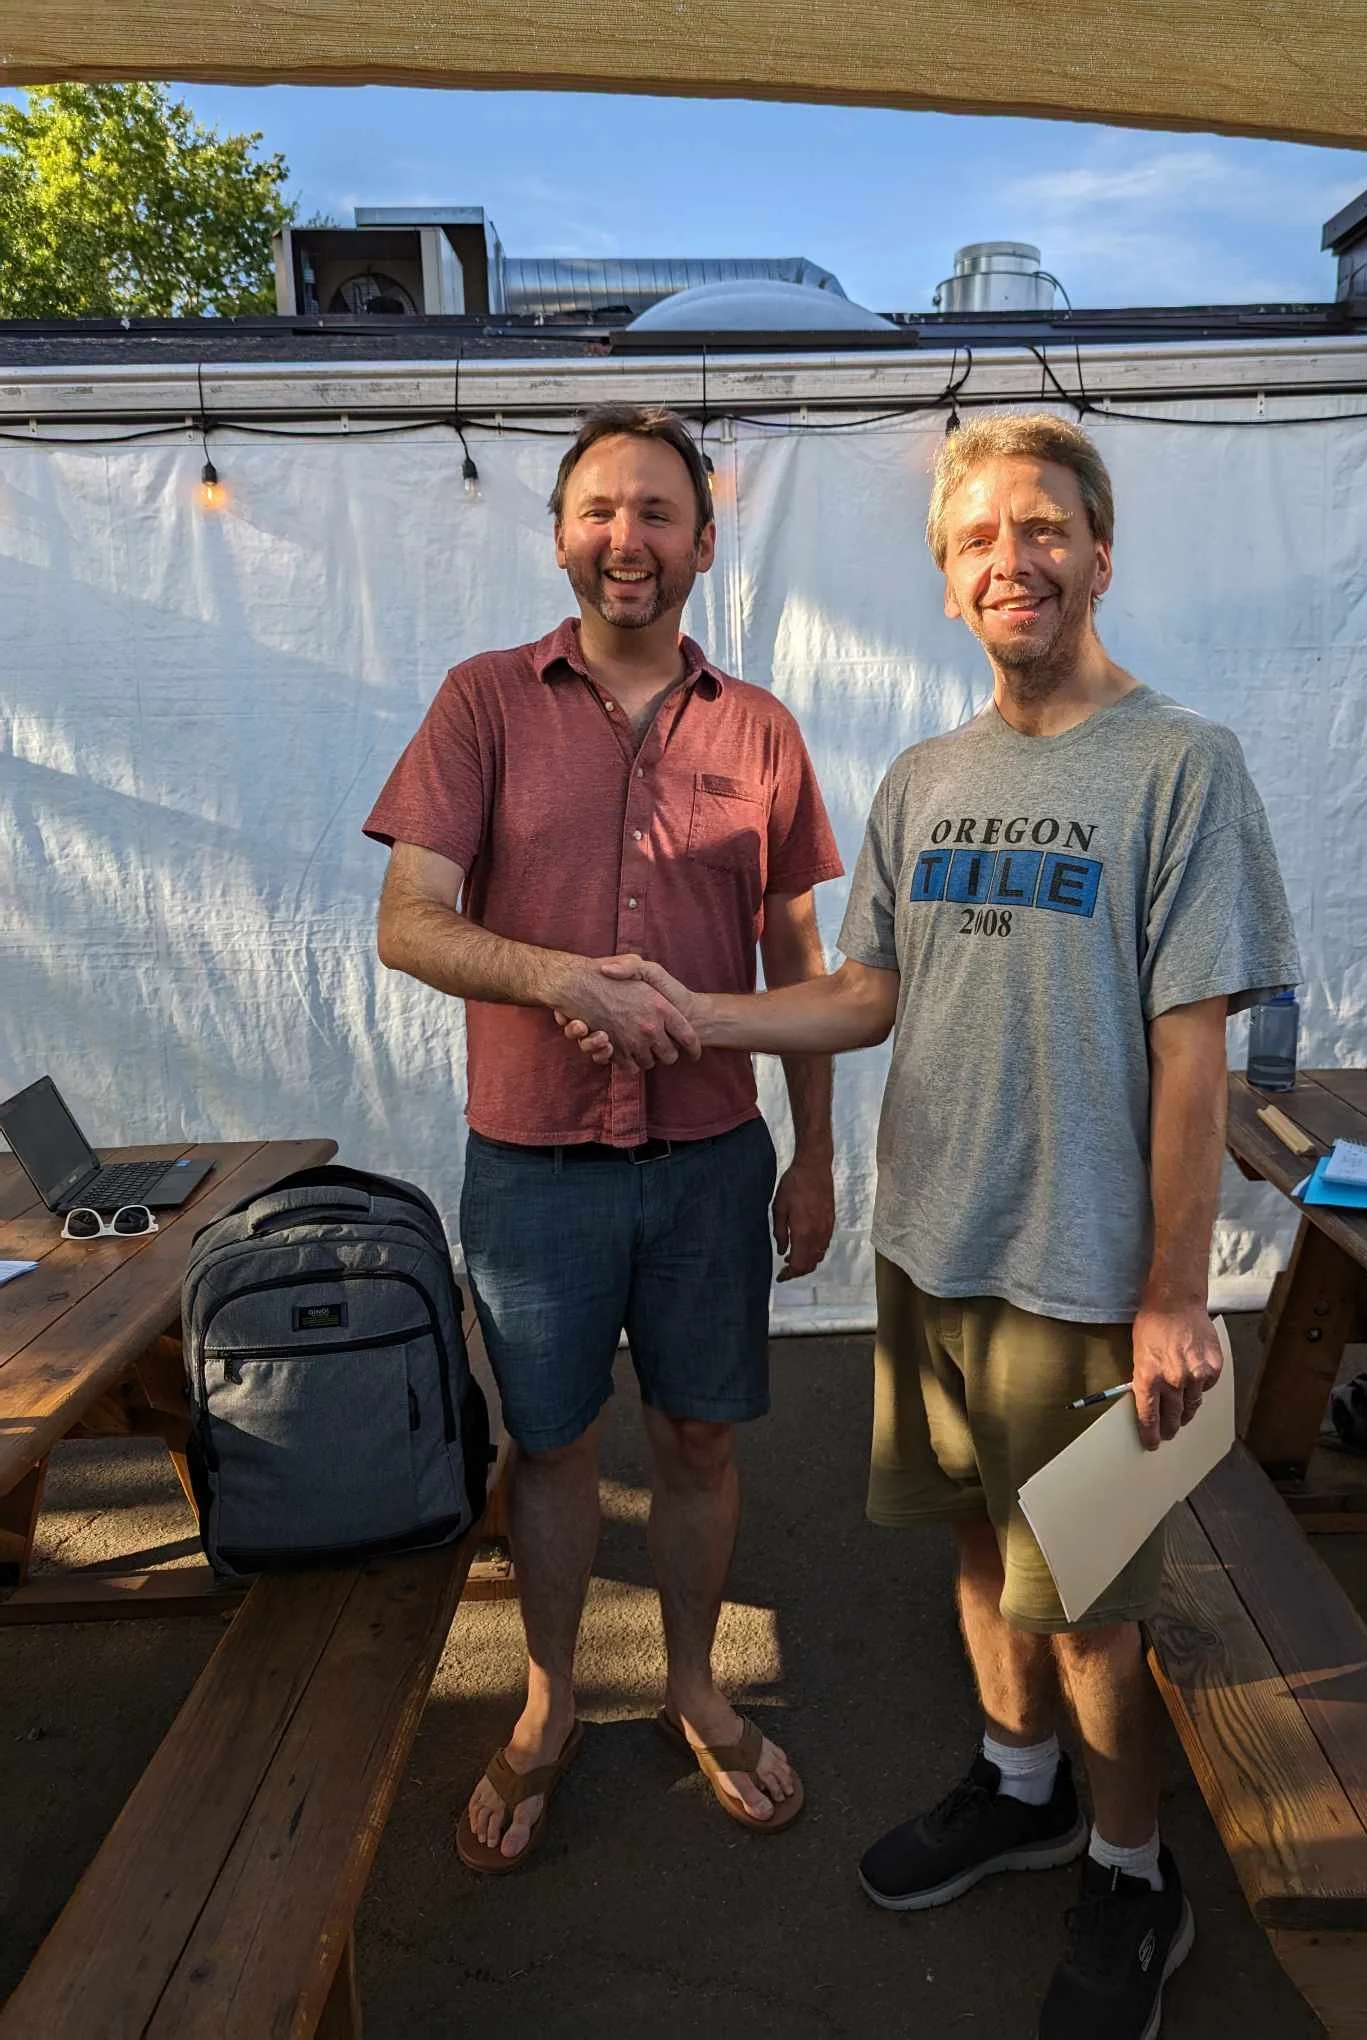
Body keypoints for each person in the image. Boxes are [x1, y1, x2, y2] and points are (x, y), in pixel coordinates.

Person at [569, 412, 1299, 2037]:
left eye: (1041, 530)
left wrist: (1176, 1292)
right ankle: (1019, 1783)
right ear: (949, 582)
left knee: (1092, 1605)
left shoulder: (1181, 764)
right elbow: (865, 995)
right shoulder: (924, 779)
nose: (1009, 560)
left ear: (1099, 555)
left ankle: (1133, 1872)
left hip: (1086, 1274)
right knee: (975, 1549)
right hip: (933, 1250)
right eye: (977, 540)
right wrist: (694, 1012)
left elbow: (1196, 1050)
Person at [363, 404, 844, 1871]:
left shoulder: (761, 729)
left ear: (704, 542)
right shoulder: (481, 704)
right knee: (554, 1444)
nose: (625, 538)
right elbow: (410, 924)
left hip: (711, 1163)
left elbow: (796, 957)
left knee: (698, 1438)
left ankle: (695, 1685)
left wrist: (818, 1153)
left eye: (656, 512)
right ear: (562, 536)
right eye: (599, 511)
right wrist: (560, 979)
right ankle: (552, 1699)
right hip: (535, 1166)